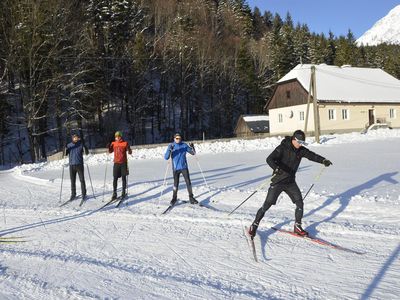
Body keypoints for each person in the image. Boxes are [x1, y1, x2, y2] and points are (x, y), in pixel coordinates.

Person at [248, 130, 332, 237]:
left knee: (299, 203)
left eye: (302, 143)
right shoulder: (282, 147)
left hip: (290, 182)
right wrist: (276, 168)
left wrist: (323, 160)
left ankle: (297, 226)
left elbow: (312, 155)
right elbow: (269, 159)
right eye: (299, 142)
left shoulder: (300, 150)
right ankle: (254, 225)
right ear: (294, 139)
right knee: (267, 205)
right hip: (278, 181)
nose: (300, 145)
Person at [164, 133, 198, 205]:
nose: (178, 140)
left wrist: (192, 147)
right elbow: (166, 157)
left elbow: (193, 153)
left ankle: (191, 198)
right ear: (174, 139)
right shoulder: (171, 145)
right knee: (176, 184)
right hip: (176, 168)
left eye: (179, 138)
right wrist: (170, 150)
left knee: (188, 182)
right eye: (177, 138)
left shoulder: (184, 145)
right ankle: (174, 198)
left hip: (184, 167)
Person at [108, 131, 132, 200]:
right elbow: (110, 151)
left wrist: (129, 149)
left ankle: (123, 192)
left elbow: (130, 152)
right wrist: (109, 147)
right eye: (116, 136)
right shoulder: (113, 143)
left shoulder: (125, 143)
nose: (117, 137)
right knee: (115, 178)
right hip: (116, 163)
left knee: (123, 178)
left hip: (123, 163)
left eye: (118, 136)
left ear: (121, 137)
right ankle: (114, 193)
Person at [65, 133, 89, 201]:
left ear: (78, 138)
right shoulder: (69, 145)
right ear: (72, 138)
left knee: (82, 180)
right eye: (74, 137)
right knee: (72, 181)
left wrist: (85, 146)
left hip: (79, 165)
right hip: (72, 165)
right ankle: (73, 194)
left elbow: (86, 153)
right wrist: (65, 148)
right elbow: (65, 154)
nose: (75, 138)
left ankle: (84, 193)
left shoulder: (81, 144)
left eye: (76, 137)